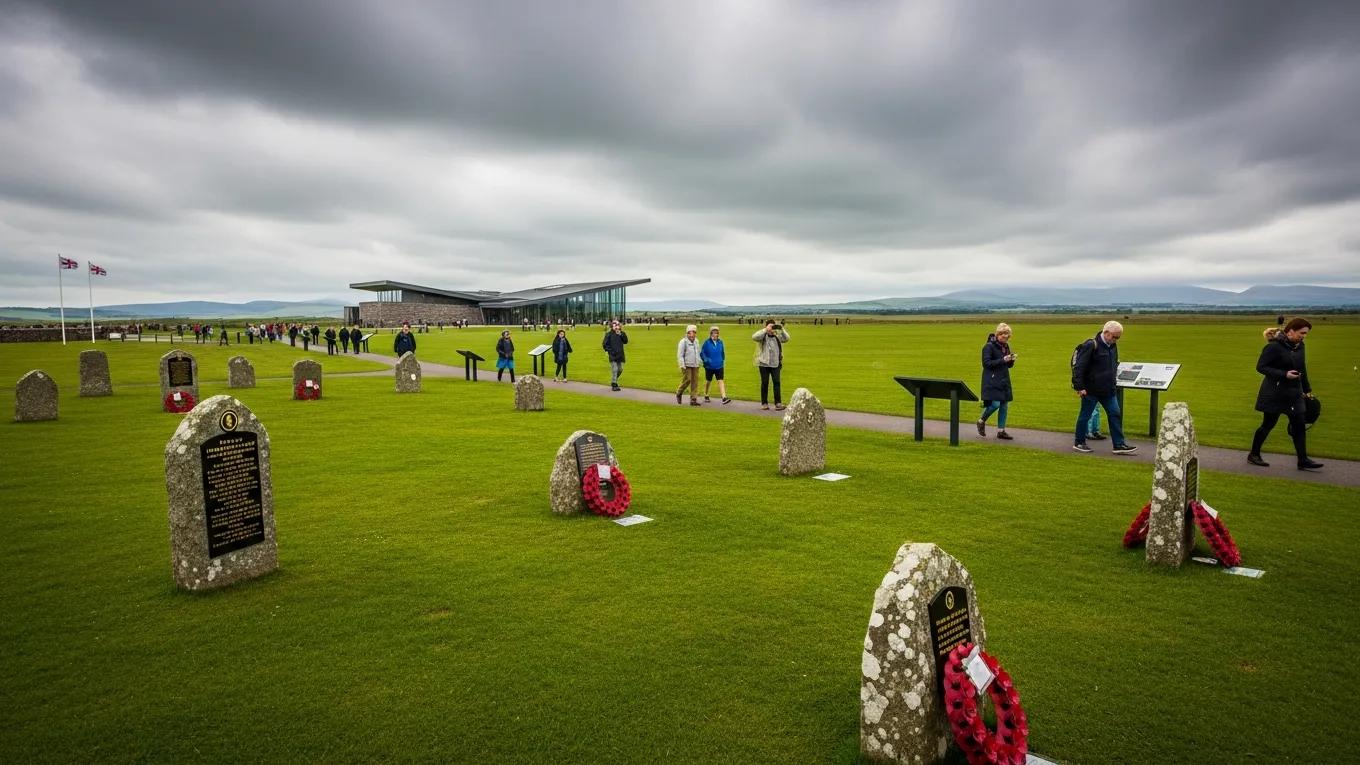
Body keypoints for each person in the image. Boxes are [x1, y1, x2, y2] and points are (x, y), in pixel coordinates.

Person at [1249, 319, 1322, 470]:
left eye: (1306, 334)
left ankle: (1302, 460)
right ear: (1290, 331)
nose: (1304, 336)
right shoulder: (1274, 347)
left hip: (1294, 393)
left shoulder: (1300, 346)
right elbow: (1261, 367)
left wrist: (1307, 390)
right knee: (1268, 424)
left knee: (1299, 425)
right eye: (1302, 333)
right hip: (1274, 393)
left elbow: (1302, 368)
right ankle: (1254, 455)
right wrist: (1284, 374)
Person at [1072, 321, 1137, 454]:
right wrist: (1080, 387)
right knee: (1085, 415)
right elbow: (1079, 367)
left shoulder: (1113, 346)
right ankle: (1079, 442)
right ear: (1106, 332)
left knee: (1115, 414)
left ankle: (1119, 445)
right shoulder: (1091, 345)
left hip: (1108, 389)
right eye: (1114, 337)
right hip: (1091, 389)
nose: (1115, 340)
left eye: (1118, 338)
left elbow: (1114, 364)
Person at [977, 323, 1016, 440]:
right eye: (1003, 334)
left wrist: (1011, 360)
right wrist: (1003, 359)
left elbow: (1008, 365)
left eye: (1007, 335)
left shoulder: (1006, 346)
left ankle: (1001, 431)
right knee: (995, 404)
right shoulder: (988, 347)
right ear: (998, 334)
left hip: (1003, 379)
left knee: (1004, 404)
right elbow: (987, 363)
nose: (1005, 337)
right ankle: (981, 420)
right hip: (992, 379)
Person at [752, 320, 789, 410]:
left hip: (775, 364)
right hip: (763, 364)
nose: (772, 329)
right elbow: (754, 337)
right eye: (770, 326)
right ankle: (764, 403)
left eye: (773, 327)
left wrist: (781, 329)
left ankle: (778, 403)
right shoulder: (763, 336)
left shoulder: (778, 336)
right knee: (765, 383)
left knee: (777, 383)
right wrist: (765, 329)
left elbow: (787, 338)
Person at [700, 326, 731, 404]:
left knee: (720, 381)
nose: (715, 334)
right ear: (711, 333)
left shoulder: (720, 342)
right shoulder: (706, 343)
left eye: (717, 332)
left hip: (719, 365)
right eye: (714, 332)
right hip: (709, 366)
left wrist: (722, 359)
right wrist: (705, 360)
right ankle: (706, 395)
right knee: (708, 381)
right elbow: (702, 353)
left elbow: (722, 352)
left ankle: (724, 397)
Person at [676, 325, 702, 406]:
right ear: (687, 333)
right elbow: (680, 355)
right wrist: (682, 365)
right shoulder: (683, 342)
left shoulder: (696, 341)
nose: (692, 335)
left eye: (694, 332)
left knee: (695, 382)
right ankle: (679, 392)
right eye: (690, 333)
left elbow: (698, 352)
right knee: (688, 380)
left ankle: (693, 399)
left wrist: (699, 361)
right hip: (686, 365)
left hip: (695, 364)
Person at [602, 320, 628, 391]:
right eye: (615, 325)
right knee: (615, 369)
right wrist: (610, 351)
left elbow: (626, 341)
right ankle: (614, 384)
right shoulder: (608, 334)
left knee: (620, 369)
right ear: (612, 326)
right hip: (613, 355)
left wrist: (621, 334)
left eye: (617, 325)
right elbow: (605, 344)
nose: (616, 327)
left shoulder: (621, 333)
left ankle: (614, 380)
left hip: (620, 354)